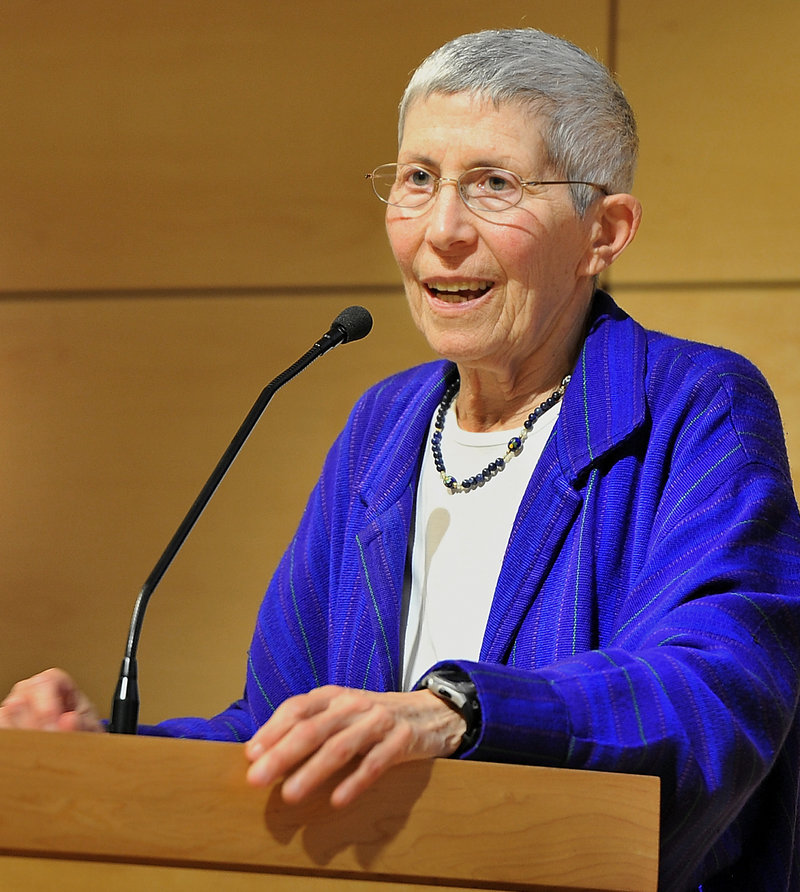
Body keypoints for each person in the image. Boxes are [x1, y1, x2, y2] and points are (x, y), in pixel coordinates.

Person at [1, 28, 799, 892]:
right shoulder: (382, 427)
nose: (442, 230)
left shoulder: (693, 403)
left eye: (494, 185)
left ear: (604, 232)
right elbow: (282, 730)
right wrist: (108, 761)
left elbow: (716, 693)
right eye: (418, 179)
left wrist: (459, 711)